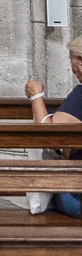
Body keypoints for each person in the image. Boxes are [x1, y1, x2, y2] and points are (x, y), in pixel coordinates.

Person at [25, 34, 82, 217]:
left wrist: (36, 96)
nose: (73, 71)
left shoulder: (80, 96)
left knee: (54, 192)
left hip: (78, 197)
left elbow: (50, 136)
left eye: (72, 63)